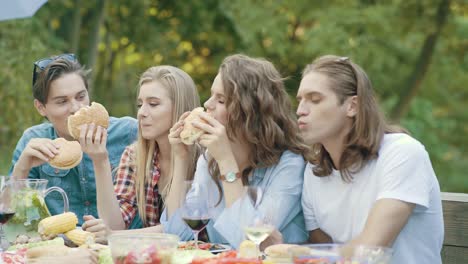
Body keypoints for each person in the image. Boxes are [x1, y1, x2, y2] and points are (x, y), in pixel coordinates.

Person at [297, 55, 444, 263]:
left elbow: (370, 249)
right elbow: (325, 246)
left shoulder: (403, 153)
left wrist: (294, 254)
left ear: (352, 106)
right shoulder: (314, 171)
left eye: (315, 99)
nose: (300, 110)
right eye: (300, 100)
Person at [162, 54, 309, 249]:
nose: (207, 104)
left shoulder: (289, 165)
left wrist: (226, 162)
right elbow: (176, 234)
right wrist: (180, 156)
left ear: (250, 114)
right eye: (212, 95)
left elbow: (250, 242)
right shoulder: (209, 160)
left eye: (221, 100)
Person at [9, 54, 138, 225]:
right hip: (59, 247)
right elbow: (8, 217)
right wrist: (22, 168)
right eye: (62, 101)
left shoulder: (129, 132)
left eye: (80, 96)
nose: (76, 108)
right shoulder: (33, 140)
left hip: (120, 245)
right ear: (41, 107)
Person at [80, 65, 201, 242]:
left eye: (153, 104)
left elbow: (179, 231)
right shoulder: (136, 155)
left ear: (180, 108)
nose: (141, 113)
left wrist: (114, 236)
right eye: (140, 104)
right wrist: (100, 161)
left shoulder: (205, 158)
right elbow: (114, 225)